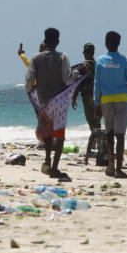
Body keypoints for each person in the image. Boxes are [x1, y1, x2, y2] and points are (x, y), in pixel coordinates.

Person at [23, 27, 80, 179]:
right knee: (59, 134)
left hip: (44, 101)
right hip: (60, 101)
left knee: (48, 132)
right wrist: (77, 73)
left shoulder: (36, 58)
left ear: (45, 41)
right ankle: (54, 167)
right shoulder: (63, 57)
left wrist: (30, 91)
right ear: (57, 42)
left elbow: (29, 81)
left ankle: (47, 159)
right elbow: (68, 78)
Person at [93, 31, 127, 178]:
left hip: (106, 101)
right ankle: (119, 169)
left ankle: (111, 165)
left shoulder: (100, 61)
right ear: (119, 43)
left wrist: (97, 104)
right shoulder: (124, 60)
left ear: (105, 44)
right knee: (120, 135)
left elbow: (97, 84)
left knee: (109, 133)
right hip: (122, 100)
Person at [69, 42, 103, 165]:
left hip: (88, 97)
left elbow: (78, 81)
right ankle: (99, 147)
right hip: (100, 97)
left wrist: (73, 96)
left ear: (86, 53)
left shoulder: (84, 66)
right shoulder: (99, 65)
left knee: (93, 123)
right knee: (97, 122)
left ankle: (99, 148)